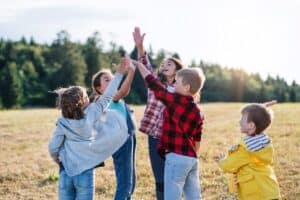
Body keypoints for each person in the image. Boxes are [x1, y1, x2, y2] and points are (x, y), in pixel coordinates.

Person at [48, 58, 129, 200]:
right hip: (85, 173)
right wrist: (120, 73)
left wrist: (56, 159)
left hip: (65, 171)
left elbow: (53, 146)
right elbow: (109, 95)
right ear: (83, 102)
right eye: (86, 96)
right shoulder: (93, 112)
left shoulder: (62, 122)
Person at [133, 59, 205, 200]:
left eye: (177, 82)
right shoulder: (198, 110)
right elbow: (198, 137)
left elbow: (154, 85)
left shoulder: (174, 101)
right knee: (194, 196)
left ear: (186, 87)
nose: (174, 84)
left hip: (175, 158)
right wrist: (193, 155)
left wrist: (139, 65)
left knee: (171, 195)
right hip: (191, 159)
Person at [132, 26, 184, 200]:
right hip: (155, 138)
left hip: (174, 139)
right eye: (163, 64)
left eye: (169, 63)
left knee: (174, 178)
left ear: (177, 70)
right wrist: (140, 46)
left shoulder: (182, 91)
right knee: (159, 178)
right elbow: (144, 64)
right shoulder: (155, 85)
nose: (164, 65)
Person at [91, 56, 136, 200]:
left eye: (113, 78)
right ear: (99, 88)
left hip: (129, 138)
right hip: (121, 141)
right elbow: (123, 91)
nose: (113, 81)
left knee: (130, 179)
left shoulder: (112, 100)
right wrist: (131, 72)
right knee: (125, 182)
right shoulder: (108, 98)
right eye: (107, 80)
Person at [215, 102, 281, 200]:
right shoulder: (264, 142)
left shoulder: (245, 149)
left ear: (251, 125)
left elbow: (229, 165)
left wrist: (221, 160)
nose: (239, 121)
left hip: (255, 195)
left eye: (242, 119)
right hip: (270, 191)